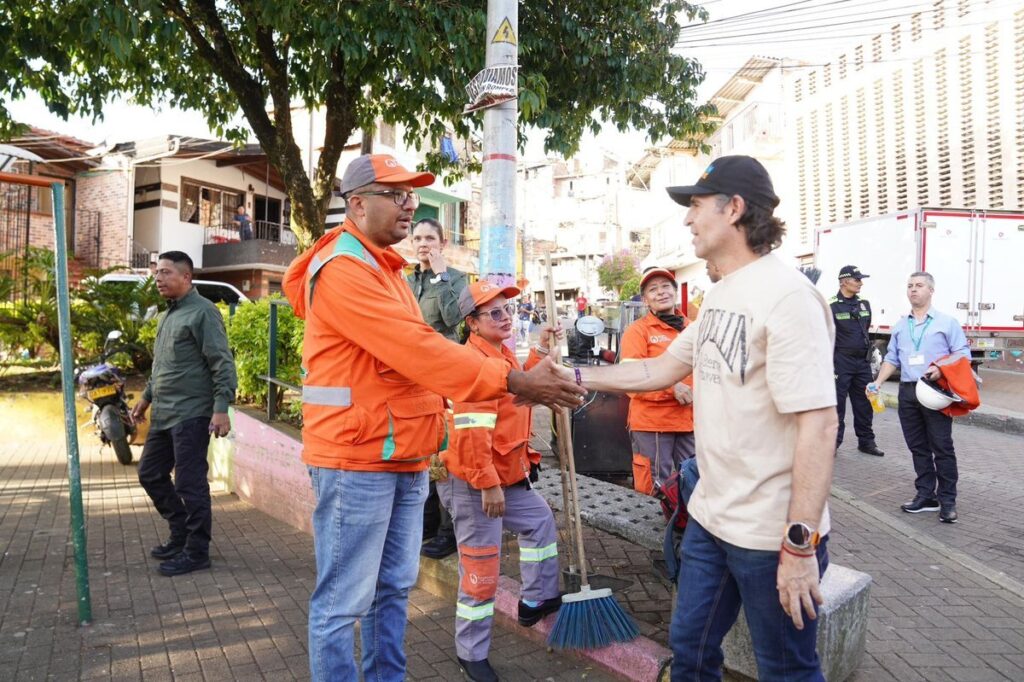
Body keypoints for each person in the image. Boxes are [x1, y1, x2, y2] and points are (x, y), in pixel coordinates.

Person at [281, 153, 585, 682]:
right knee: (344, 601)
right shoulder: (343, 271)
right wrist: (512, 380)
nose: (409, 204)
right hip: (356, 459)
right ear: (356, 204)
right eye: (394, 194)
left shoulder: (385, 268)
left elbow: (418, 355)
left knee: (392, 588)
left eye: (411, 195)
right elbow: (415, 347)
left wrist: (523, 370)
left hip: (400, 454)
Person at [555, 156, 838, 680]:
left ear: (734, 209)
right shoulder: (721, 295)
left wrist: (800, 544)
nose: (687, 220)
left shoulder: (789, 298)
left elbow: (819, 426)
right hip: (709, 517)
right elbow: (658, 369)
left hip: (767, 534)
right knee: (691, 650)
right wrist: (570, 378)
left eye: (696, 207)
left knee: (786, 670)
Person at [438, 281, 563, 682]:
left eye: (508, 308)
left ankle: (535, 599)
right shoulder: (471, 363)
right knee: (481, 572)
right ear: (471, 323)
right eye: (493, 312)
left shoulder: (501, 352)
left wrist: (541, 349)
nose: (506, 316)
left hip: (506, 476)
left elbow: (520, 386)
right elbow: (471, 433)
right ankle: (470, 653)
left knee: (540, 522)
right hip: (476, 482)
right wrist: (488, 484)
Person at [130, 251, 237, 577]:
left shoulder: (203, 313)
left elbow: (222, 362)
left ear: (186, 277)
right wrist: (146, 399)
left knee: (190, 484)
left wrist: (221, 409)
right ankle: (180, 534)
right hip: (163, 413)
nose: (158, 278)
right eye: (157, 272)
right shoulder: (167, 316)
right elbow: (163, 367)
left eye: (165, 272)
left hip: (191, 413)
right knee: (150, 473)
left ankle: (196, 551)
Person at [868, 272, 969, 524]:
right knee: (917, 447)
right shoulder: (901, 325)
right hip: (908, 391)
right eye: (910, 286)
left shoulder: (947, 323)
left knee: (942, 447)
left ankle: (947, 501)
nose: (913, 290)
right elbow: (892, 358)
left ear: (931, 290)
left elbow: (962, 353)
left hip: (934, 391)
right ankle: (926, 496)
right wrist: (877, 382)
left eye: (919, 285)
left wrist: (941, 368)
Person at [407, 217, 467, 560]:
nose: (423, 243)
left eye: (430, 237)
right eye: (418, 238)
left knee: (446, 452)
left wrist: (442, 273)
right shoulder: (406, 281)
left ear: (442, 243)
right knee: (422, 450)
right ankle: (427, 522)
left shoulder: (455, 279)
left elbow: (452, 317)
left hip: (444, 377)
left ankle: (450, 531)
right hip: (412, 377)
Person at [621, 266, 695, 498]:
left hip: (689, 421)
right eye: (653, 289)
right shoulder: (637, 331)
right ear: (645, 300)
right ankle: (653, 534)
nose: (661, 292)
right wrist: (672, 387)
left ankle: (684, 530)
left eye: (665, 286)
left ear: (675, 292)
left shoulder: (693, 328)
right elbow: (631, 378)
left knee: (693, 481)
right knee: (655, 488)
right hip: (652, 423)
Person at [830, 265, 884, 456]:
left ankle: (866, 442)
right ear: (844, 281)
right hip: (840, 361)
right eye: (857, 279)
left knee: (865, 403)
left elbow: (865, 328)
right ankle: (832, 444)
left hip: (862, 362)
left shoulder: (864, 304)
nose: (861, 283)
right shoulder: (831, 306)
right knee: (837, 405)